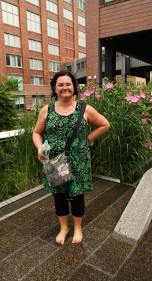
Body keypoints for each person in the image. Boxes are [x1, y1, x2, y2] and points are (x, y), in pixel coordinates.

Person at [32, 71, 110, 245]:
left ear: (74, 87)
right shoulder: (47, 110)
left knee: (77, 196)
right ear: (54, 88)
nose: (64, 87)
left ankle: (77, 228)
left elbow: (105, 124)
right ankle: (63, 228)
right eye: (60, 85)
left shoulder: (85, 108)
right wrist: (40, 147)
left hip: (78, 161)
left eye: (68, 84)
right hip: (54, 161)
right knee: (58, 196)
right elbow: (37, 132)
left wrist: (88, 139)